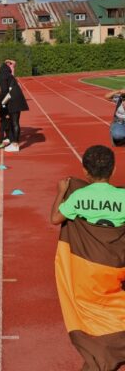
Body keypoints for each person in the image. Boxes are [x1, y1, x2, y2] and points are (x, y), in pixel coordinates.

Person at [50, 145, 125, 370]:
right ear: (113, 170)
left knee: (90, 310)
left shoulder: (79, 196)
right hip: (117, 264)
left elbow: (55, 218)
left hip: (88, 267)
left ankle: (100, 351)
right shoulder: (122, 196)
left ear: (85, 171)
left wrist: (61, 192)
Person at [0, 57, 29, 153]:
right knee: (12, 121)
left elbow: (3, 91)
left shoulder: (2, 75)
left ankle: (15, 145)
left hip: (15, 98)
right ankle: (11, 140)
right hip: (13, 97)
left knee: (15, 121)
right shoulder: (2, 72)